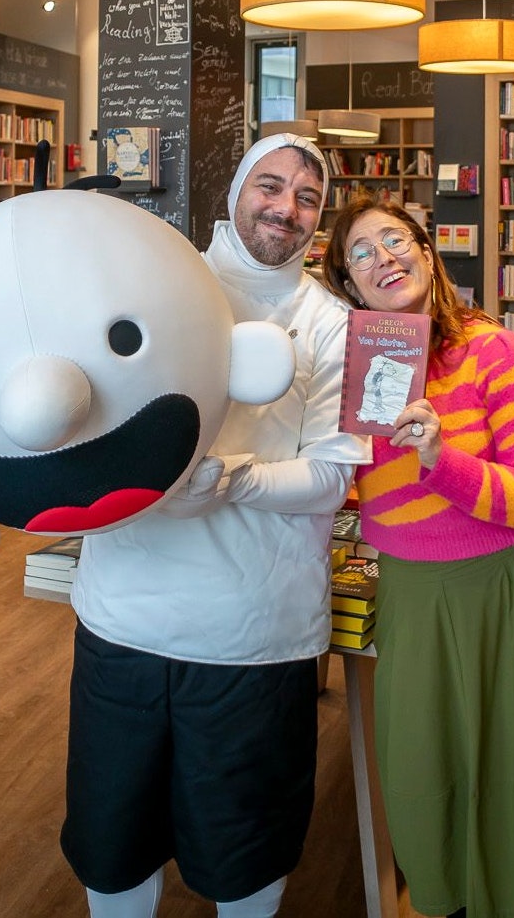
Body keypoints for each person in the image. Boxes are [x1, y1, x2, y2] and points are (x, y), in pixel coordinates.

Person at [60, 133, 370, 918]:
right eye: (270, 185)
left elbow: (332, 476)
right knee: (112, 841)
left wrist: (230, 478)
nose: (286, 207)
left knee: (245, 852)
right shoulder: (153, 286)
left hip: (255, 640)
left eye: (306, 196)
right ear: (233, 192)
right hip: (122, 623)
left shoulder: (337, 323)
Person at [322, 192, 514, 918]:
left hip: (511, 599)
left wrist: (439, 456)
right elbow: (356, 495)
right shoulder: (357, 371)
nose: (382, 258)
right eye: (360, 253)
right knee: (436, 786)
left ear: (427, 255)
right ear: (348, 285)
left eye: (394, 240)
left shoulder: (492, 349)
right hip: (415, 608)